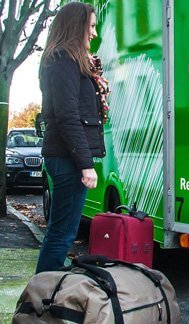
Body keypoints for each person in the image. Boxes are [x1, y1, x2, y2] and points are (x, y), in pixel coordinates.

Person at [36, 2, 109, 273]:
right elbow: (68, 116)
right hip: (67, 160)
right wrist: (85, 164)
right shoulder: (62, 60)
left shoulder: (67, 60)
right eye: (90, 26)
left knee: (61, 232)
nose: (93, 33)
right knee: (62, 235)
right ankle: (42, 302)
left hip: (67, 159)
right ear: (76, 26)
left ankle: (45, 296)